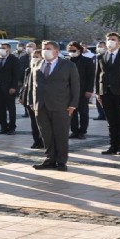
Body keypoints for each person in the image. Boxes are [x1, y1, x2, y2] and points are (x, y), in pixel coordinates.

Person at [29, 41, 80, 172]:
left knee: (61, 134)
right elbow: (32, 85)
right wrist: (31, 101)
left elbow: (75, 86)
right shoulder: (37, 64)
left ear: (56, 51)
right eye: (43, 48)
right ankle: (49, 159)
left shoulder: (68, 65)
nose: (44, 51)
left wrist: (73, 105)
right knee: (46, 134)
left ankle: (61, 161)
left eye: (48, 48)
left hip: (61, 106)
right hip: (40, 106)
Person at [95, 32, 120, 155]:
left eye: (113, 39)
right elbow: (98, 74)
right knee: (111, 121)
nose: (110, 41)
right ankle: (112, 146)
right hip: (105, 91)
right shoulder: (101, 56)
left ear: (119, 42)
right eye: (109, 39)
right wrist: (97, 92)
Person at [66, 41, 95, 139]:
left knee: (83, 112)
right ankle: (74, 131)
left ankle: (82, 131)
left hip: (83, 90)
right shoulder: (66, 61)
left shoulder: (87, 61)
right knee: (71, 112)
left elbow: (91, 77)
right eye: (69, 50)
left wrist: (89, 90)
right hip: (69, 91)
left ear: (79, 50)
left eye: (73, 50)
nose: (71, 52)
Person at [0, 43, 21, 135]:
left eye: (3, 48)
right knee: (0, 109)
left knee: (11, 108)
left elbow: (16, 75)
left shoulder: (14, 59)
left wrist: (13, 87)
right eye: (0, 48)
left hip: (9, 87)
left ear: (8, 49)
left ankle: (12, 127)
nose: (1, 49)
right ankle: (3, 127)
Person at [21, 49, 44, 148]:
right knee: (33, 123)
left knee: (42, 123)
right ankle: (36, 141)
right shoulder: (28, 70)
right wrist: (22, 96)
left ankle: (43, 140)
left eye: (37, 56)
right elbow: (25, 84)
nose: (34, 59)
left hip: (40, 100)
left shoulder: (43, 70)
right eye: (33, 57)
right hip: (29, 100)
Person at [93, 41, 107, 121]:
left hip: (105, 83)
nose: (100, 48)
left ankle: (106, 114)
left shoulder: (106, 57)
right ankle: (101, 114)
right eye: (98, 46)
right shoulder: (96, 57)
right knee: (98, 99)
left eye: (102, 46)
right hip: (97, 81)